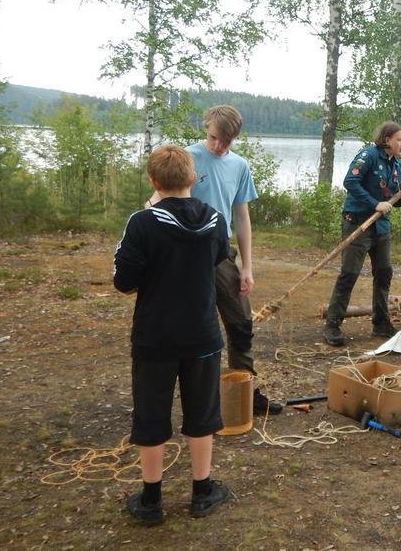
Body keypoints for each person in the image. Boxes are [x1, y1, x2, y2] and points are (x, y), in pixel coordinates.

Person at [115, 145, 234, 525]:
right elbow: (219, 258)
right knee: (203, 413)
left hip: (155, 338)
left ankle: (151, 501)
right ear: (191, 179)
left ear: (154, 181)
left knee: (151, 416)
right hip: (201, 334)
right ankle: (202, 491)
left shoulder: (141, 222)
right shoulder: (215, 220)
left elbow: (124, 281)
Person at [183, 105, 282, 416]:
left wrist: (247, 266)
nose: (218, 146)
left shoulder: (239, 166)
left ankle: (245, 391)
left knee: (241, 323)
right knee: (198, 327)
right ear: (206, 128)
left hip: (222, 252)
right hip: (187, 253)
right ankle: (202, 398)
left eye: (226, 141)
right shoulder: (186, 158)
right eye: (213, 138)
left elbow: (241, 216)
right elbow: (162, 200)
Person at [323, 121, 401, 346]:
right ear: (387, 140)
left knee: (384, 273)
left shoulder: (397, 167)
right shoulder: (368, 156)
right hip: (357, 223)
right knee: (349, 274)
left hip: (381, 227)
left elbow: (394, 201)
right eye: (399, 140)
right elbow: (350, 182)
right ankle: (332, 325)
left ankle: (381, 322)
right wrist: (374, 203)